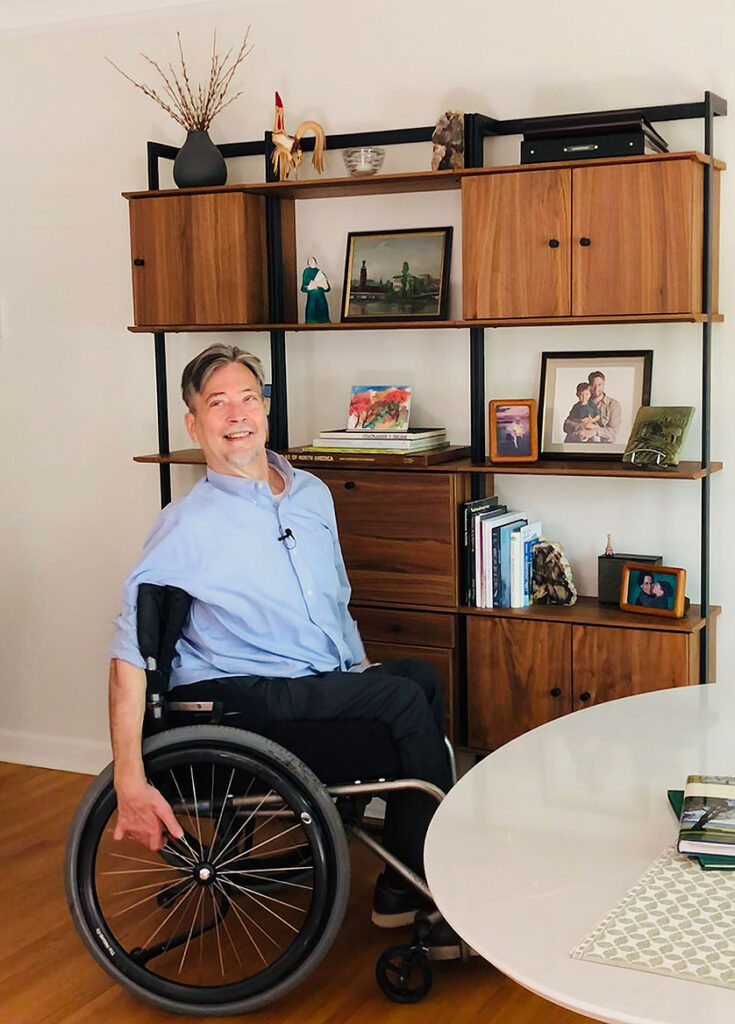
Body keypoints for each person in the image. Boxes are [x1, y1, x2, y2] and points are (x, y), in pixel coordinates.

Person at [109, 343, 457, 951]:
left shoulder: (310, 493)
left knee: (420, 680)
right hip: (241, 701)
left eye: (248, 397)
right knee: (402, 703)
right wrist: (129, 782)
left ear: (265, 409)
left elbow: (334, 599)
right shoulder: (186, 526)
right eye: (217, 404)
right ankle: (421, 886)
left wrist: (359, 669)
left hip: (311, 682)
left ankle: (402, 874)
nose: (236, 413)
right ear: (194, 424)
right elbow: (127, 657)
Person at [563, 370, 621, 443]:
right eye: (593, 385)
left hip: (603, 445)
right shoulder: (581, 404)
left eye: (599, 385)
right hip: (581, 443)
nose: (597, 389)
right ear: (589, 386)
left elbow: (613, 431)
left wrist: (594, 432)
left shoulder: (613, 405)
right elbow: (566, 425)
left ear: (604, 384)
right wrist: (583, 426)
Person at [301, 255, 331, 323]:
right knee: (311, 318)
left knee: (323, 318)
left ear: (316, 262)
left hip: (321, 298)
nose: (311, 261)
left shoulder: (320, 272)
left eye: (312, 260)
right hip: (312, 298)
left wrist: (324, 285)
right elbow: (303, 287)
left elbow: (328, 288)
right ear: (308, 263)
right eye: (309, 260)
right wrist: (309, 287)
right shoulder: (307, 271)